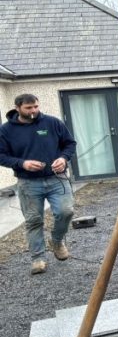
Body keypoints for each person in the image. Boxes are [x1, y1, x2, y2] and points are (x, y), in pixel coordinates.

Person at [0, 94, 77, 275]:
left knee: (66, 211)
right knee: (34, 220)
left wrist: (63, 158)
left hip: (57, 178)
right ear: (18, 108)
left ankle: (57, 241)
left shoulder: (52, 123)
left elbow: (70, 144)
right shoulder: (6, 130)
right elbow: (1, 155)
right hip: (28, 183)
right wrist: (22, 163)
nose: (33, 110)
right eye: (28, 108)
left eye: (35, 106)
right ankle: (38, 259)